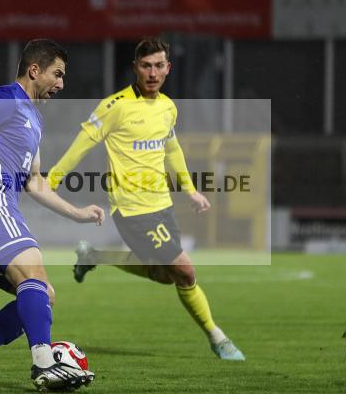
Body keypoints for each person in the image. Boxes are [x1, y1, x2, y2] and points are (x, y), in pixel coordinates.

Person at [47, 37, 245, 361]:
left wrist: (190, 189)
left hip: (161, 205)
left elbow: (172, 149)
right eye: (146, 66)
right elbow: (83, 142)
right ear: (135, 68)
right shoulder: (115, 106)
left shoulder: (168, 107)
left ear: (168, 68)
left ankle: (95, 257)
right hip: (131, 209)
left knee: (166, 275)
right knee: (186, 272)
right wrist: (51, 179)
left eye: (158, 66)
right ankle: (218, 337)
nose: (152, 73)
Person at [0, 39, 105, 392]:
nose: (62, 84)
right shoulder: (7, 98)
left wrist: (76, 213)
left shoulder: (34, 120)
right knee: (35, 272)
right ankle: (45, 365)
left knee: (43, 292)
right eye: (57, 74)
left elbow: (33, 181)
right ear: (34, 70)